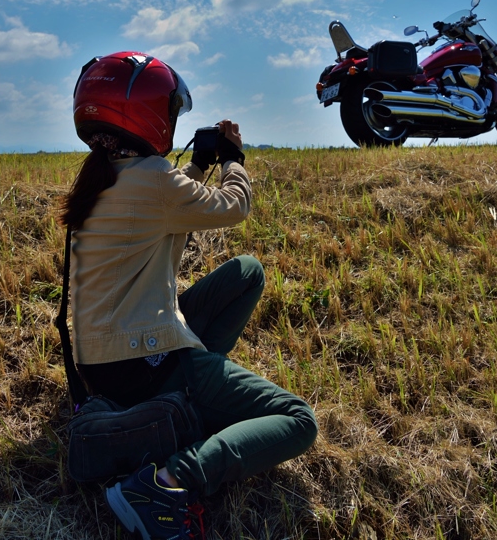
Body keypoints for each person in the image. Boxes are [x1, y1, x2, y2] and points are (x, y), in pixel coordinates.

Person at [61, 51, 317, 540]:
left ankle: (194, 397)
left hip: (101, 362)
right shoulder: (154, 179)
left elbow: (163, 203)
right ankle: (168, 480)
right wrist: (233, 160)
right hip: (144, 360)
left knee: (246, 273)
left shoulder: (103, 175)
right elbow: (233, 207)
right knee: (298, 419)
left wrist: (197, 164)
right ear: (150, 111)